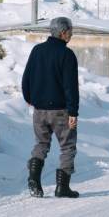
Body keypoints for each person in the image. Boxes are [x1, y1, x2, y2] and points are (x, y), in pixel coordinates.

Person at [21, 17, 80, 198]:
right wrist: (73, 112)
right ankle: (62, 188)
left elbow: (26, 78)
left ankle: (34, 180)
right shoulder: (67, 55)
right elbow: (70, 86)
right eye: (70, 31)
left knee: (41, 144)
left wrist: (30, 98)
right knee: (68, 146)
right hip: (61, 111)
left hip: (39, 110)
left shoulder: (37, 50)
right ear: (63, 32)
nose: (72, 34)